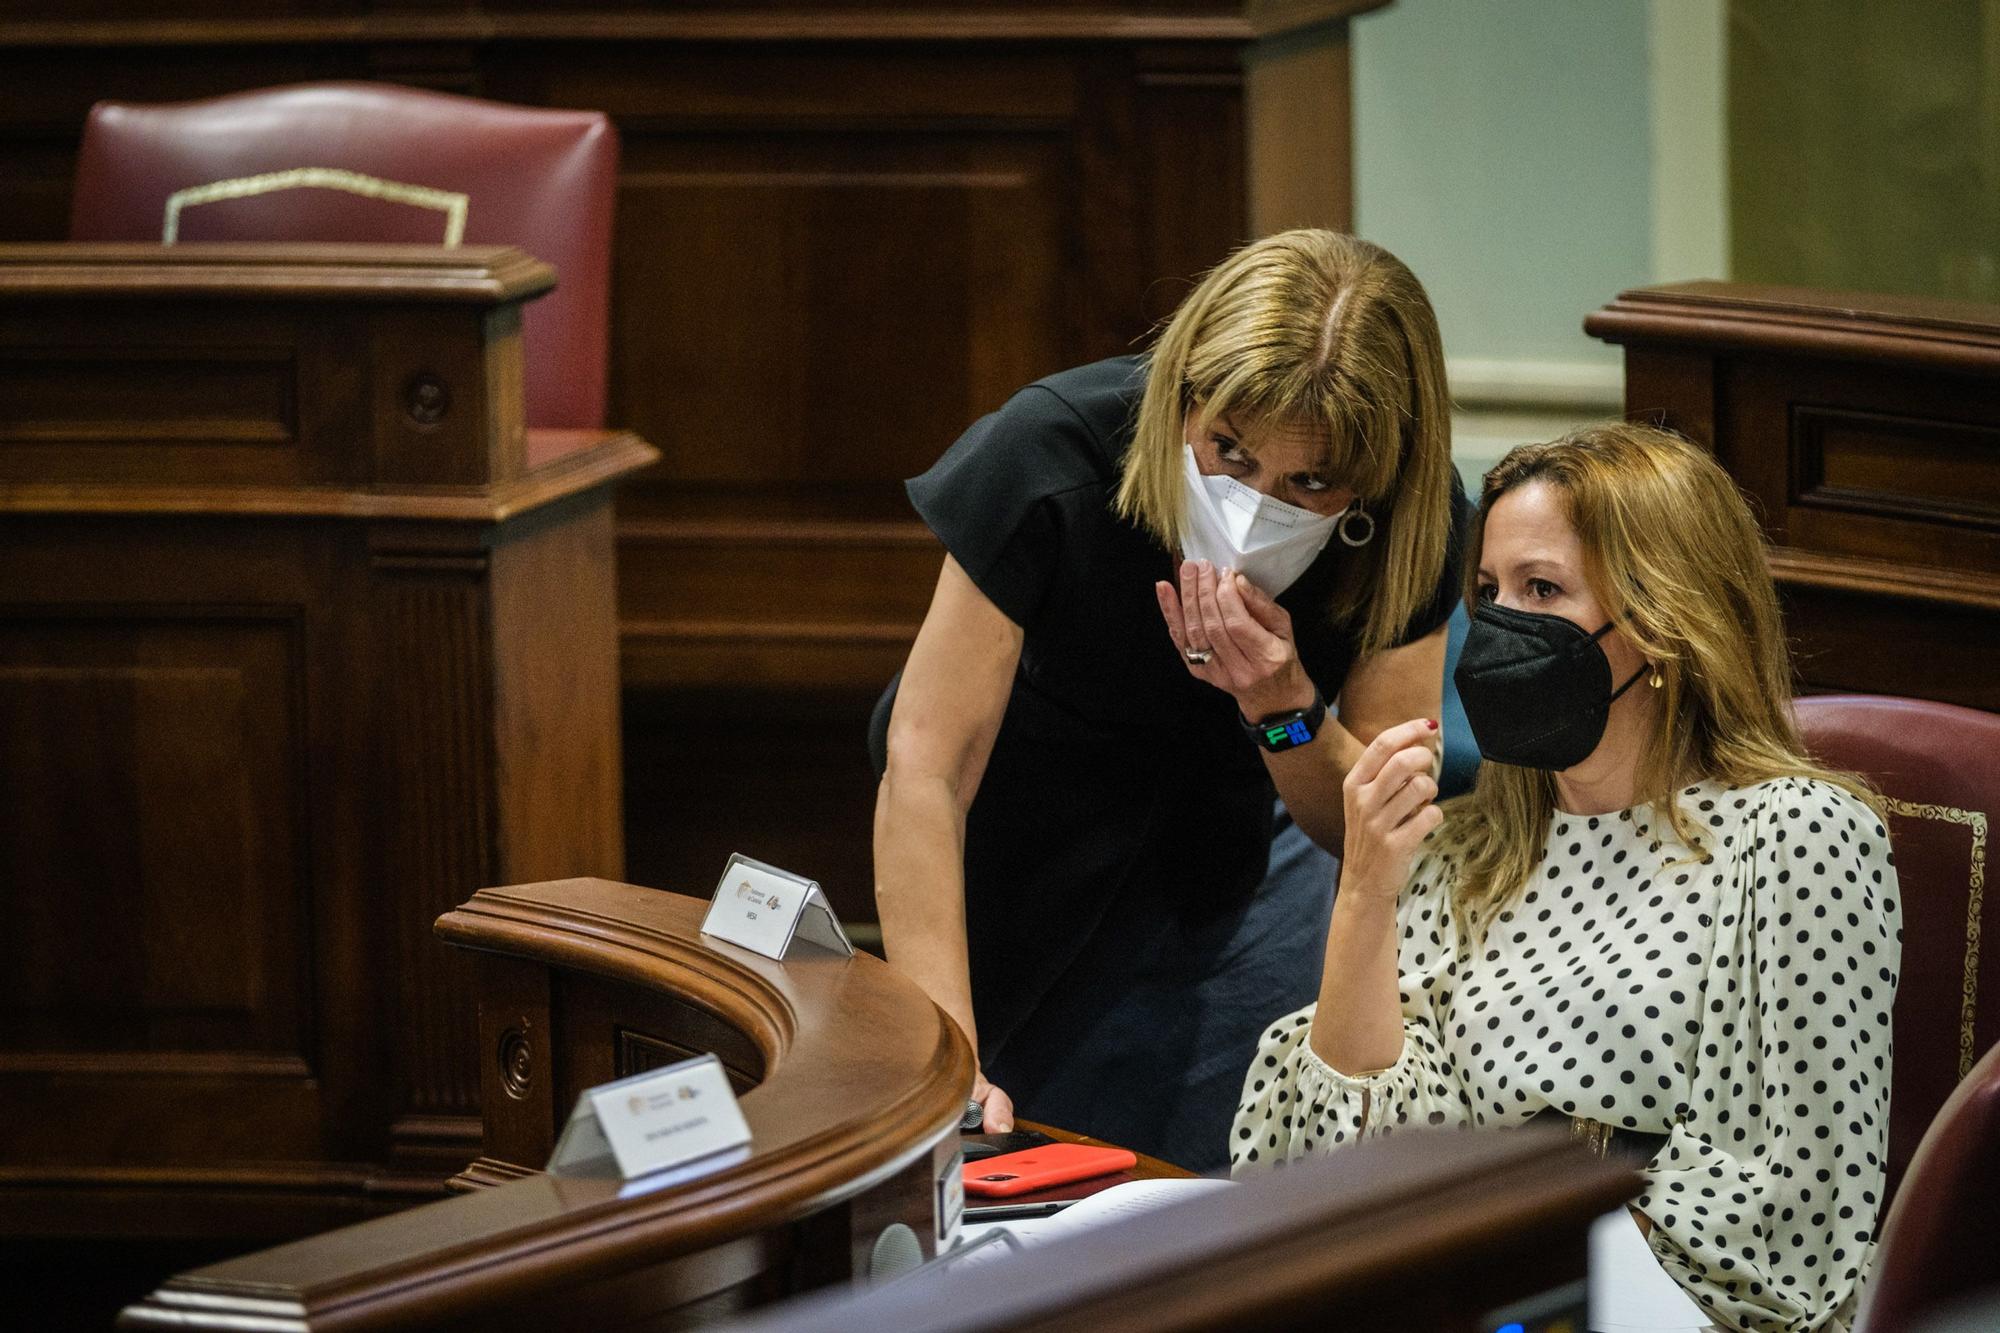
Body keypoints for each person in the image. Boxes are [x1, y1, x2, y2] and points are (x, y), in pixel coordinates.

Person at [1232, 423, 1902, 1332]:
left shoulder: (1797, 838)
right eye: (1487, 593)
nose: (1500, 626)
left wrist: (1508, 1254)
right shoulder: (1469, 850)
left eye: (1541, 589)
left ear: (1662, 622)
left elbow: (1790, 1202)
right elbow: (1344, 1159)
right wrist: (1366, 897)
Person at [870, 230, 1469, 1171]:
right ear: (1185, 394)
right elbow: (928, 766)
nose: (1252, 502)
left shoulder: (1412, 525)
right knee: (996, 1153)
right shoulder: (1053, 448)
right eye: (1228, 452)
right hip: (1019, 826)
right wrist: (943, 1057)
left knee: (1226, 1190)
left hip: (1239, 841)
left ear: (1374, 483)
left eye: (1309, 483)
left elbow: (1372, 830)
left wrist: (1281, 702)